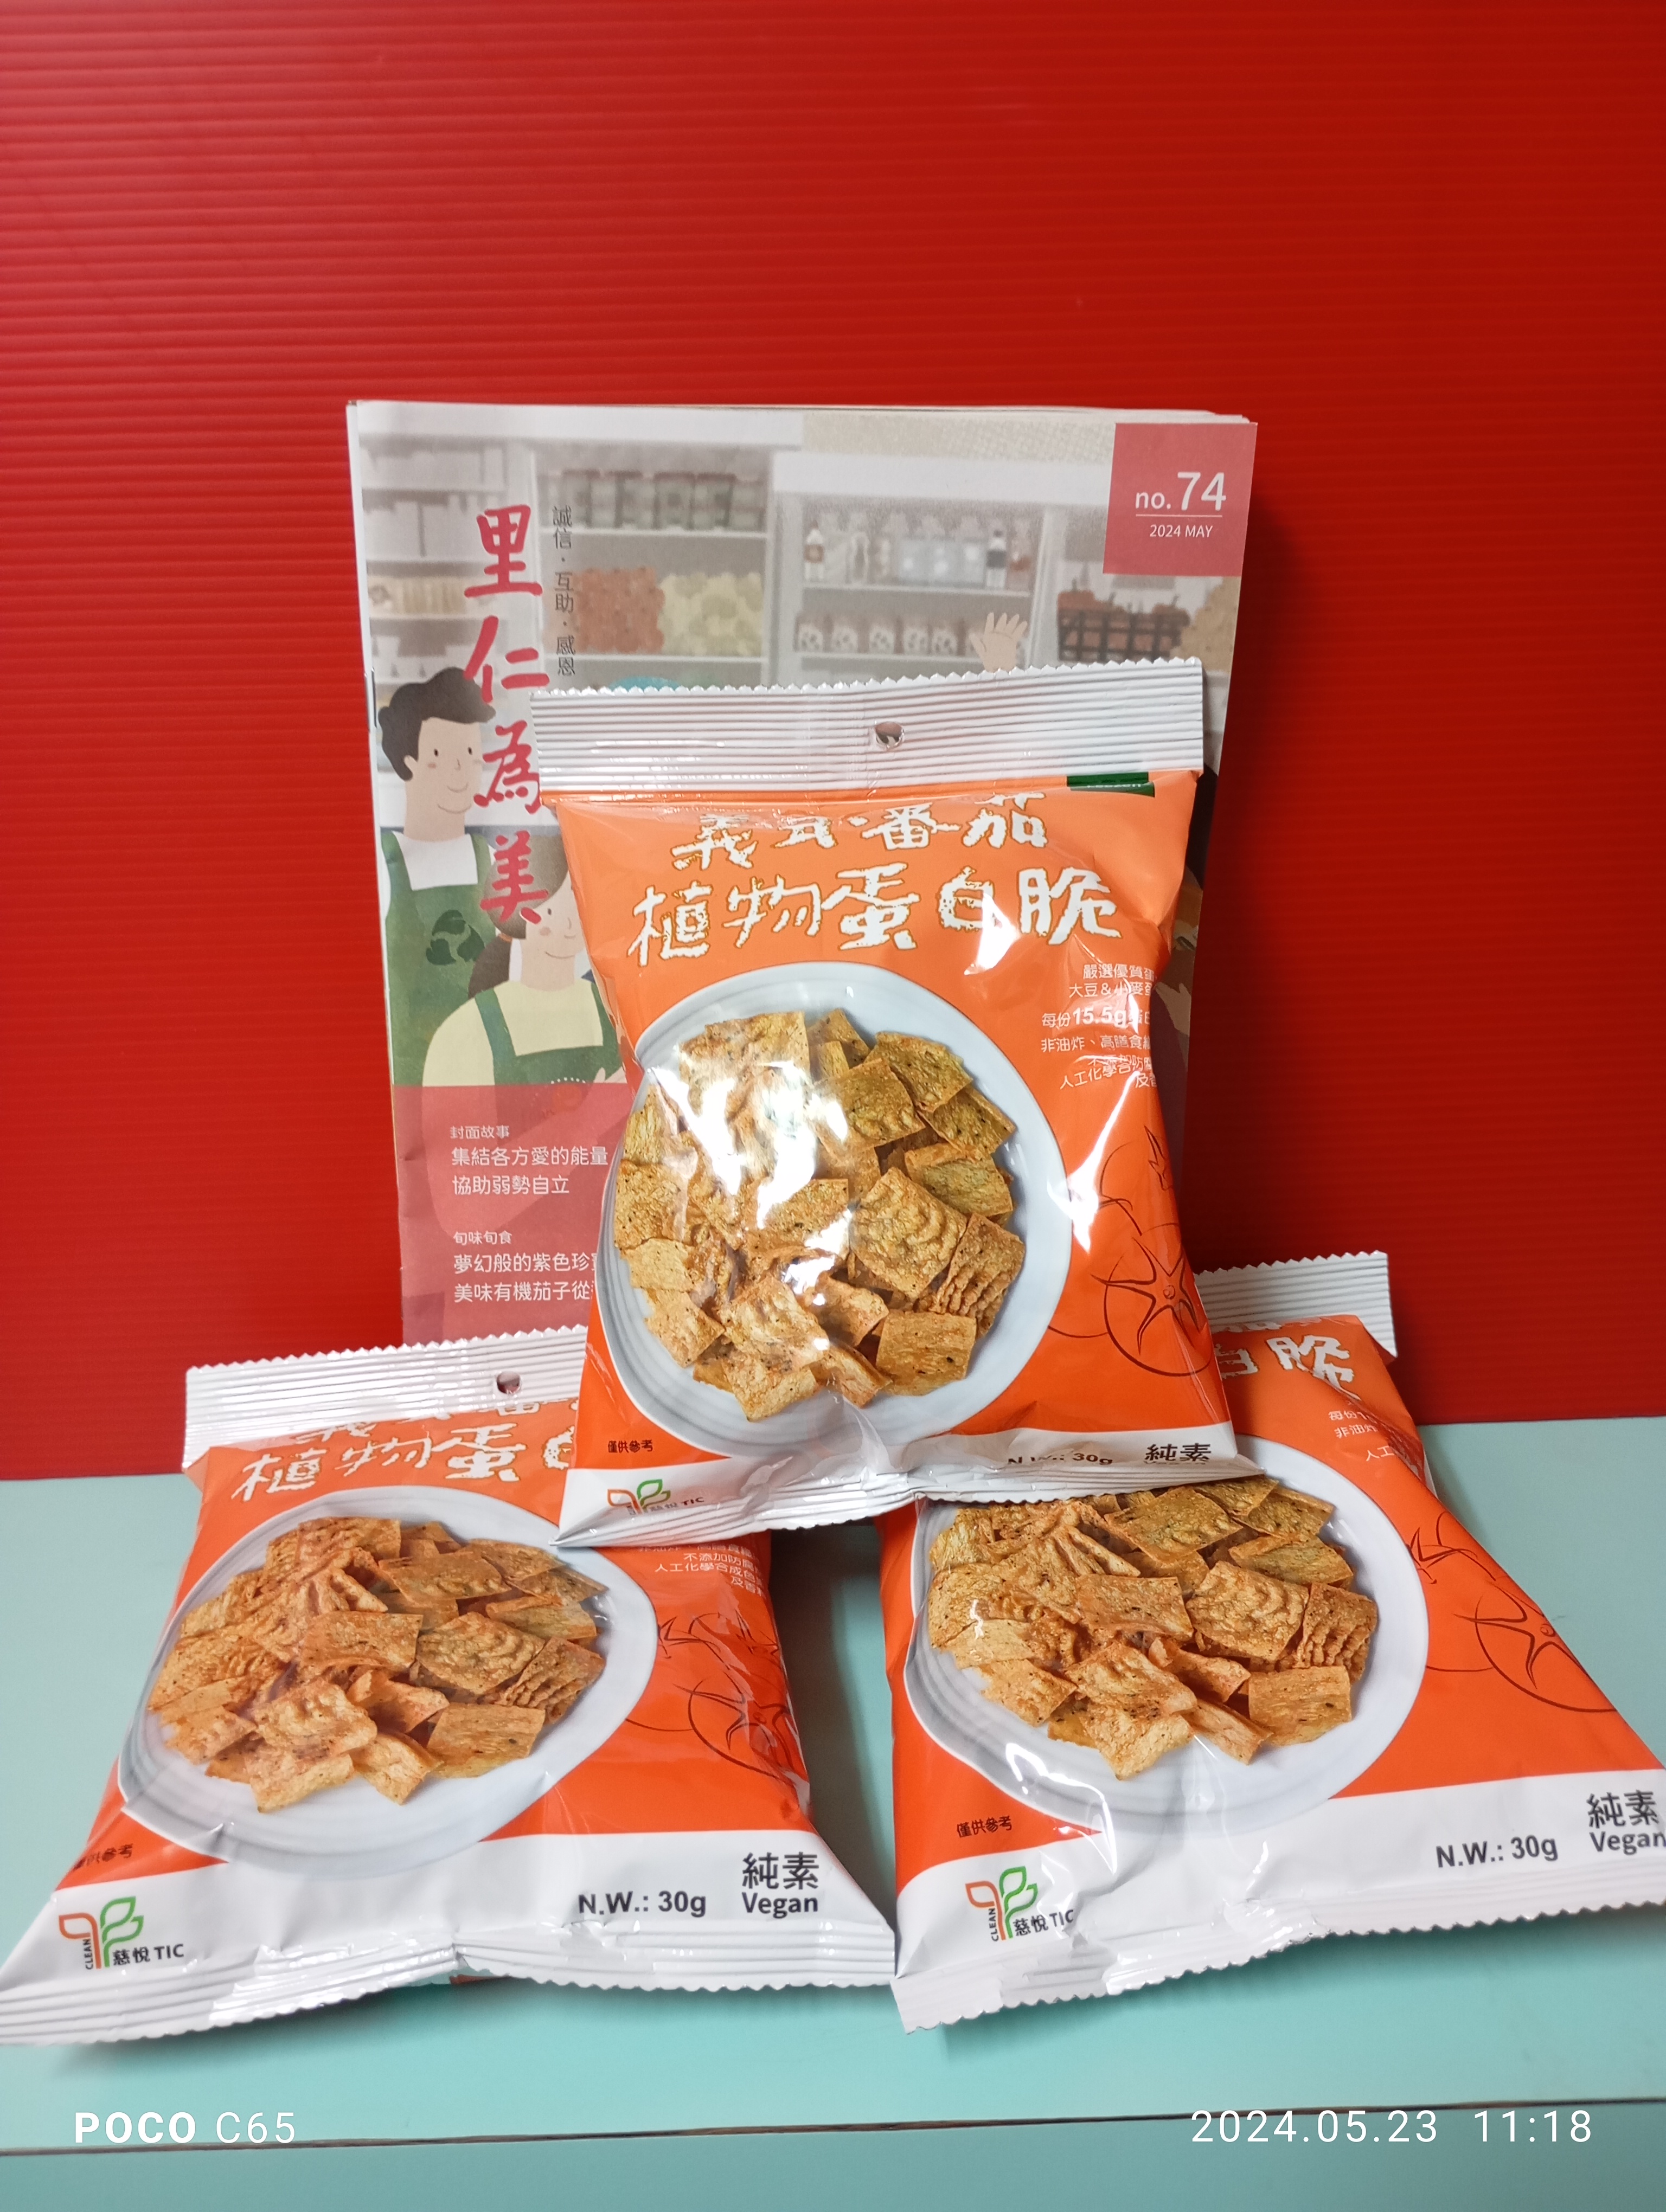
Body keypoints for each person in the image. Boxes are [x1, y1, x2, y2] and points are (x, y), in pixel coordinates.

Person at [423, 831, 623, 1086]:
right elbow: (446, 1112)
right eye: (550, 911)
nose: (570, 924)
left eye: (577, 901)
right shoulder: (467, 1028)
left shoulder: (614, 1011)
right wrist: (593, 1109)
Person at [376, 666, 497, 1085]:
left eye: (471, 753)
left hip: (484, 1075)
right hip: (409, 1084)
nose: (461, 770)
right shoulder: (383, 864)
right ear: (407, 760)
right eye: (441, 756)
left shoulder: (490, 859)